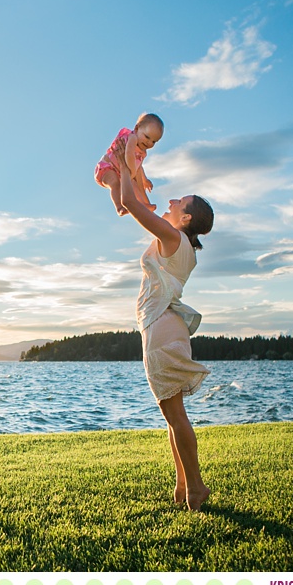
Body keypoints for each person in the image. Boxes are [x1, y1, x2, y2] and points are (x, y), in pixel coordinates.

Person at [112, 131, 214, 511]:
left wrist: (123, 162)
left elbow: (127, 203)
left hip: (162, 327)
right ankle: (183, 486)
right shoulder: (180, 243)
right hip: (163, 326)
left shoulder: (172, 237)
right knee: (172, 416)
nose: (171, 200)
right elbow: (136, 198)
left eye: (179, 201)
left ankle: (196, 487)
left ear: (185, 217)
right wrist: (135, 171)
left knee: (175, 416)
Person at [95, 113, 163, 216]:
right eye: (147, 137)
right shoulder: (132, 137)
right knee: (115, 183)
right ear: (136, 129)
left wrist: (145, 180)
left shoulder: (142, 152)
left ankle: (143, 205)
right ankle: (119, 207)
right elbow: (129, 153)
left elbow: (139, 166)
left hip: (121, 173)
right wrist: (132, 172)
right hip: (106, 168)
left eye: (154, 141)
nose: (149, 142)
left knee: (134, 185)